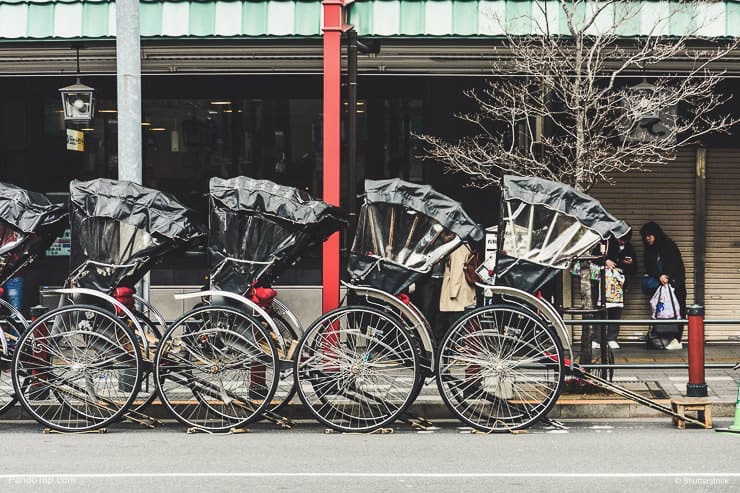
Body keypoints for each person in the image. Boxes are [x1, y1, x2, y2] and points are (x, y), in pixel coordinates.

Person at [640, 221, 686, 350]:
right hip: (660, 286)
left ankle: (676, 339)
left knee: (677, 310)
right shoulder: (648, 250)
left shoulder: (669, 246)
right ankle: (663, 339)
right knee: (661, 312)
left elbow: (676, 264)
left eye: (650, 235)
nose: (647, 239)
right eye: (645, 237)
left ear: (656, 234)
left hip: (675, 284)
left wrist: (668, 276)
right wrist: (659, 276)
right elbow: (649, 267)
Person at [592, 233, 637, 350]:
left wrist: (628, 263)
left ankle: (611, 338)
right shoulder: (605, 243)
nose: (622, 242)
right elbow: (593, 258)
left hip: (618, 283)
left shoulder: (629, 248)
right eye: (620, 239)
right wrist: (606, 261)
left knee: (616, 310)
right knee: (599, 310)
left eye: (624, 241)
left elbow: (634, 269)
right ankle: (597, 338)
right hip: (601, 282)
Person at [436, 242, 477, 343]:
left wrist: (453, 292)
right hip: (464, 290)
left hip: (457, 291)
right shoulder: (465, 246)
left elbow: (456, 271)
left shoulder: (457, 249)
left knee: (454, 325)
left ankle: (452, 348)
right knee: (458, 325)